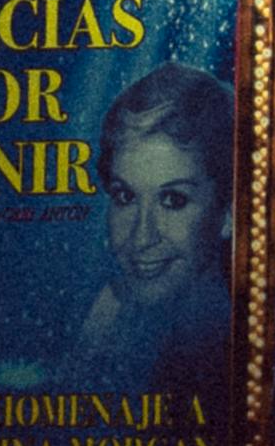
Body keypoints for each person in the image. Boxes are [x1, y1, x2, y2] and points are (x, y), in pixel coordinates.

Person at [76, 61, 236, 383]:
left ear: (229, 213)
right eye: (125, 196)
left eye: (173, 200)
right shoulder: (111, 318)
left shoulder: (227, 354)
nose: (142, 237)